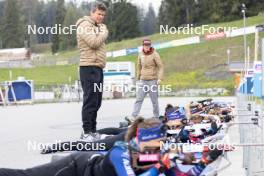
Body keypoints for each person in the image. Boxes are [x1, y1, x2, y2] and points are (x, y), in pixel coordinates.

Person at [0, 118, 224, 176]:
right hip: (76, 169)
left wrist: (203, 160)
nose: (161, 147)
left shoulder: (155, 155)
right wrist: (161, 162)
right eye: (157, 143)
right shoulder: (122, 153)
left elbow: (179, 168)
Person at [76, 2, 108, 140]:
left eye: (103, 15)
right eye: (98, 14)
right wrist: (104, 31)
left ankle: (93, 131)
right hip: (88, 67)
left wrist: (101, 30)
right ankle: (86, 132)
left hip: (98, 67)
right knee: (90, 100)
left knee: (97, 101)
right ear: (92, 12)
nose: (101, 17)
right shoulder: (84, 25)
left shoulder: (98, 27)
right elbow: (94, 43)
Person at [130, 39, 164, 120]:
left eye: (148, 45)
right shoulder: (140, 54)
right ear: (143, 45)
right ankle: (134, 116)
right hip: (143, 81)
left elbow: (161, 67)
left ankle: (156, 116)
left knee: (154, 101)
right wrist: (138, 78)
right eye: (145, 45)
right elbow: (138, 66)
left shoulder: (155, 54)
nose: (146, 46)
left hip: (152, 80)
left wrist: (160, 78)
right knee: (139, 99)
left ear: (150, 45)